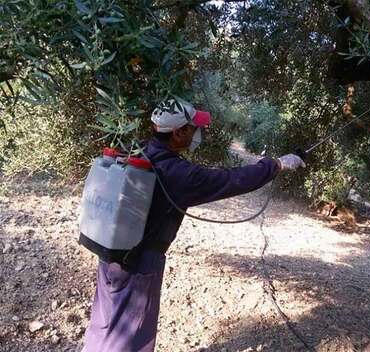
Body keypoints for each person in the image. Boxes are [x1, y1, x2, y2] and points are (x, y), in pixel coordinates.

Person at [82, 100, 305, 352]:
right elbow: (234, 180)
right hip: (141, 263)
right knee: (130, 337)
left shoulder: (139, 151)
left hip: (109, 254)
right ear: (178, 132)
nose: (198, 133)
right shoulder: (180, 174)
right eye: (193, 127)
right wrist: (276, 164)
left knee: (105, 323)